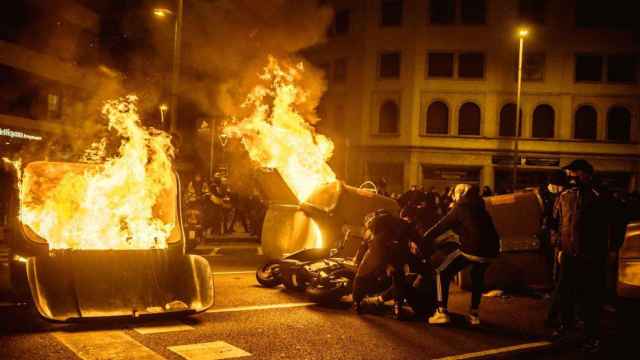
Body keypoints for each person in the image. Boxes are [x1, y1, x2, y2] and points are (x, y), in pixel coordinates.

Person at [550, 159, 611, 353]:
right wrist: (558, 247)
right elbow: (555, 224)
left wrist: (611, 250)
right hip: (568, 254)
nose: (572, 177)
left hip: (592, 256)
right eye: (570, 174)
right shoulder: (564, 196)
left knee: (590, 298)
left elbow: (612, 226)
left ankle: (592, 336)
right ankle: (565, 327)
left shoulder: (600, 196)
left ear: (587, 174)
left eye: (576, 173)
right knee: (565, 293)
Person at [420, 184, 500, 326]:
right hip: (492, 250)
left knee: (442, 272)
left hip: (473, 249)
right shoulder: (480, 206)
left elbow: (440, 226)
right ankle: (474, 315)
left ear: (459, 195)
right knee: (478, 276)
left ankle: (441, 312)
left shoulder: (460, 207)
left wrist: (423, 239)